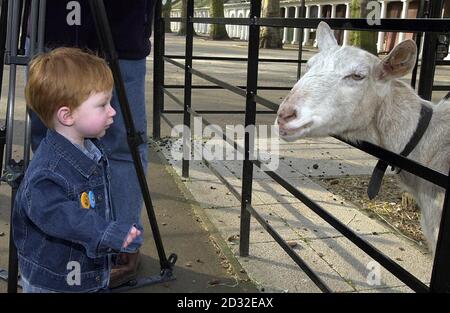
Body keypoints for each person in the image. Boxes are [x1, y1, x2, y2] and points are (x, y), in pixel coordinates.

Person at [28, 0, 156, 287]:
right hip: (51, 25)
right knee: (49, 140)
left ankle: (121, 243)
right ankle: (59, 239)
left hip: (122, 27)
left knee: (124, 143)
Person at [13, 47, 142, 293]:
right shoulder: (48, 172)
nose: (112, 111)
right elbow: (62, 216)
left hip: (85, 275)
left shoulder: (88, 149)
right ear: (67, 115)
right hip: (57, 283)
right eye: (103, 104)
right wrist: (106, 232)